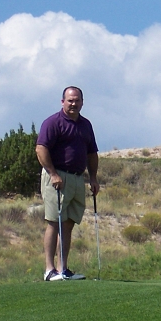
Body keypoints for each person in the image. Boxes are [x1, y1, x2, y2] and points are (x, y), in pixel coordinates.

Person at [35, 86, 100, 281]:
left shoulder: (85, 125)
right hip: (57, 178)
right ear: (62, 101)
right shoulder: (53, 122)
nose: (73, 104)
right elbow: (41, 149)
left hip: (77, 178)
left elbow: (92, 153)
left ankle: (63, 269)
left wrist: (93, 177)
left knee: (69, 223)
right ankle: (49, 270)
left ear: (82, 102)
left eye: (77, 100)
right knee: (54, 222)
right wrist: (53, 173)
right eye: (70, 100)